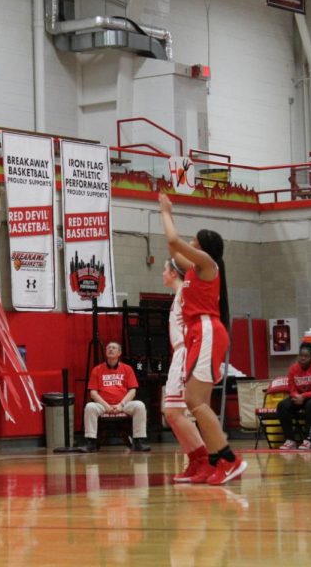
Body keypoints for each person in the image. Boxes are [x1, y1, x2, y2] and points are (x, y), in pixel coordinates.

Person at [159, 192, 247, 485]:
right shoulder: (195, 271)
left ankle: (230, 459)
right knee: (197, 403)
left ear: (204, 247)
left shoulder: (209, 263)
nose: (191, 244)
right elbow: (174, 251)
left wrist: (167, 212)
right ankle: (215, 460)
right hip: (198, 333)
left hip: (207, 331)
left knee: (194, 401)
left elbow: (174, 242)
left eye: (195, 241)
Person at [161, 260, 211, 483]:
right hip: (179, 354)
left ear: (173, 272)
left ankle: (205, 460)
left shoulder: (186, 292)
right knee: (171, 413)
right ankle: (195, 460)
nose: (163, 273)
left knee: (175, 412)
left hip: (187, 353)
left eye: (165, 269)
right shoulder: (178, 294)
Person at [81, 341, 150, 453]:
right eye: (108, 348)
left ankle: (138, 441)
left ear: (119, 353)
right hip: (103, 405)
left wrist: (121, 405)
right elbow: (93, 393)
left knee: (140, 405)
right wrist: (106, 406)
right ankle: (91, 443)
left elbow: (132, 391)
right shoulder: (97, 370)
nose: (110, 349)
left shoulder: (127, 369)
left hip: (123, 405)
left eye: (113, 348)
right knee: (90, 407)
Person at [276, 342, 311, 450]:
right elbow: (291, 388)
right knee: (282, 405)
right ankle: (290, 439)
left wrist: (303, 396)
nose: (302, 358)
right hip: (299, 397)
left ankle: (308, 439)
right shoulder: (293, 368)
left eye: (306, 356)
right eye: (301, 356)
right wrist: (296, 396)